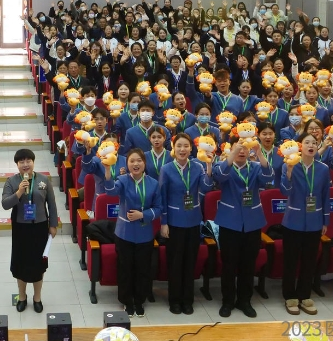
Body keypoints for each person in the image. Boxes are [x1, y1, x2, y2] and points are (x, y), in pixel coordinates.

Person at [210, 137, 269, 318]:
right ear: (232, 149)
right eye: (238, 147)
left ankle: (245, 300)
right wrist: (232, 153)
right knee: (229, 264)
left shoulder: (256, 167)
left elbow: (268, 178)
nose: (242, 151)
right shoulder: (224, 166)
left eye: (245, 148)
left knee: (248, 264)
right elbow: (218, 176)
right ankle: (227, 301)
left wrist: (259, 153)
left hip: (252, 222)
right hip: (230, 222)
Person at [101, 148, 160, 317]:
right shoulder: (122, 180)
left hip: (145, 233)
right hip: (124, 233)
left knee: (143, 268)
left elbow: (158, 208)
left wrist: (143, 215)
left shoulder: (153, 183)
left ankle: (139, 300)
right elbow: (111, 191)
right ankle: (127, 301)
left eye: (139, 161)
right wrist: (107, 170)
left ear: (144, 163)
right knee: (125, 268)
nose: (136, 164)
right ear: (127, 164)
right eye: (132, 161)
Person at [279, 133, 331, 316]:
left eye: (314, 143)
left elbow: (326, 195)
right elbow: (284, 191)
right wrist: (289, 172)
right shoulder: (290, 164)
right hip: (293, 220)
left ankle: (305, 295)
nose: (311, 145)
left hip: (315, 221)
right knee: (291, 261)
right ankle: (289, 296)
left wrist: (325, 220)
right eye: (307, 142)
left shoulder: (323, 168)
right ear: (300, 146)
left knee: (309, 261)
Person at [1, 149, 58, 313]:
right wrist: (19, 192)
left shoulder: (43, 180)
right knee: (21, 264)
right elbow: (5, 204)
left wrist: (53, 224)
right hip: (21, 228)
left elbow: (52, 204)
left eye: (28, 161)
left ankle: (37, 298)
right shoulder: (11, 181)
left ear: (33, 162)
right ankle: (22, 297)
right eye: (21, 162)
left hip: (40, 227)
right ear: (17, 164)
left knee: (38, 265)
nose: (25, 165)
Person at [158, 133, 210, 315]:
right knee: (175, 263)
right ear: (173, 148)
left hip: (193, 220)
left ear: (191, 148)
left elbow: (206, 187)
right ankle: (174, 300)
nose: (182, 149)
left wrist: (209, 165)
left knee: (190, 262)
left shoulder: (198, 167)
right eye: (179, 146)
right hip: (174, 221)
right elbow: (162, 197)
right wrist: (164, 222)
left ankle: (187, 300)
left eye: (186, 146)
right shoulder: (166, 169)